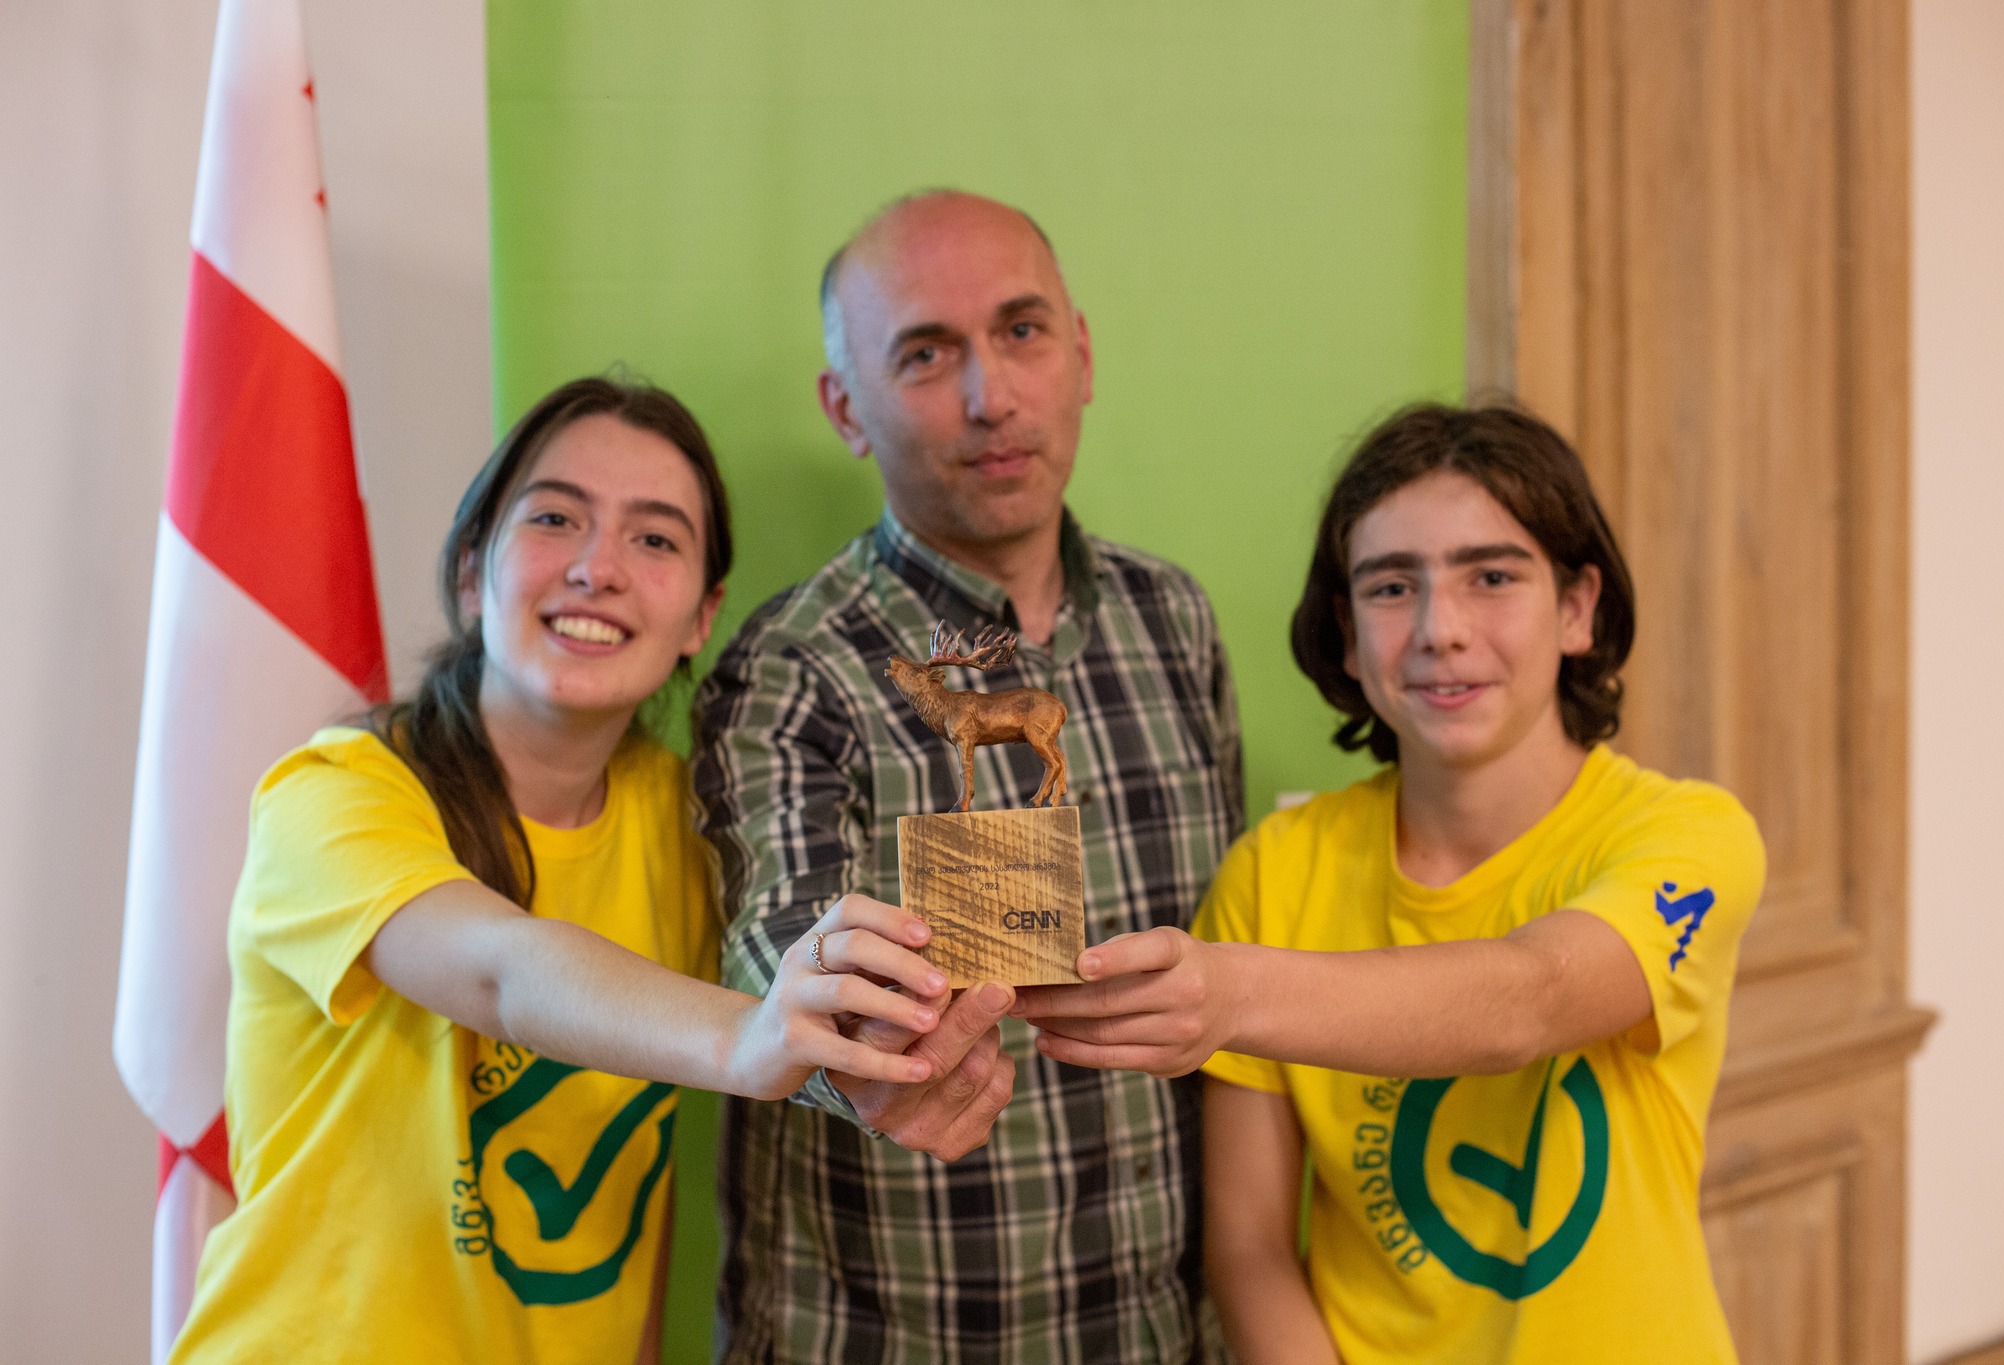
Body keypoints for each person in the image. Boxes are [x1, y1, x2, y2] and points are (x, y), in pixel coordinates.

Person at [170, 377, 955, 1365]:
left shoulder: (690, 821)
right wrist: (746, 1036)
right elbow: (501, 971)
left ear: (702, 616)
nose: (598, 568)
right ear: (472, 573)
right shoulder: (332, 796)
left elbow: (637, 1189)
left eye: (655, 538)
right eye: (554, 519)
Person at [1016, 404, 1765, 1362]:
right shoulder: (1274, 871)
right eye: (1391, 586)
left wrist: (1231, 991)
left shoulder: (1690, 837)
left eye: (1492, 576)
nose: (1440, 629)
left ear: (1578, 607)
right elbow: (1248, 1247)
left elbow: (1530, 1000)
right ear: (1346, 631)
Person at [693, 191, 1243, 1362]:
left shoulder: (1173, 620)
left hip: (1156, 1335)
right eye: (926, 355)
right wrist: (851, 1048)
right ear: (846, 408)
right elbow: (772, 955)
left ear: (1079, 354)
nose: (991, 396)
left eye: (1021, 331)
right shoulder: (792, 666)